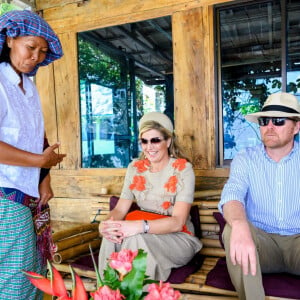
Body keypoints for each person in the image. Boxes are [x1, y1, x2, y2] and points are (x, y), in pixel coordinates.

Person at [0, 10, 66, 299]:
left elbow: (37, 136)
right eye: (31, 47)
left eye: (42, 52)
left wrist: (44, 177)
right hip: (5, 196)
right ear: (10, 38)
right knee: (17, 279)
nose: (36, 57)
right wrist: (40, 161)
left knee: (35, 271)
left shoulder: (29, 87)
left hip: (27, 194)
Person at [98, 111, 202, 281]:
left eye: (155, 140)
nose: (149, 147)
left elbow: (177, 222)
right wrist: (107, 225)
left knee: (136, 239)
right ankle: (107, 292)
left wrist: (140, 226)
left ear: (168, 141)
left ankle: (135, 294)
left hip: (178, 237)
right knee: (112, 236)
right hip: (143, 232)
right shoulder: (135, 168)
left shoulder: (183, 170)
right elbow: (119, 209)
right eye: (144, 141)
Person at [218, 92, 300, 300]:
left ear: (296, 127)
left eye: (279, 120)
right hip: (262, 247)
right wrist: (239, 224)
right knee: (233, 228)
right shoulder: (246, 158)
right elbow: (232, 194)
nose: (270, 126)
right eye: (265, 120)